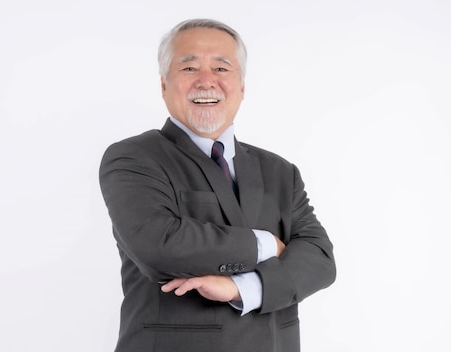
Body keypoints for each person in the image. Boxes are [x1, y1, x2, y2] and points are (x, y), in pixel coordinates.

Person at [99, 18, 336, 352]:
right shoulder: (133, 159)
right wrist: (267, 244)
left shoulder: (281, 171)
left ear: (241, 86)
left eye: (222, 69)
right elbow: (160, 245)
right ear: (164, 84)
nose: (206, 81)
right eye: (190, 68)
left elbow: (320, 260)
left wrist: (241, 289)